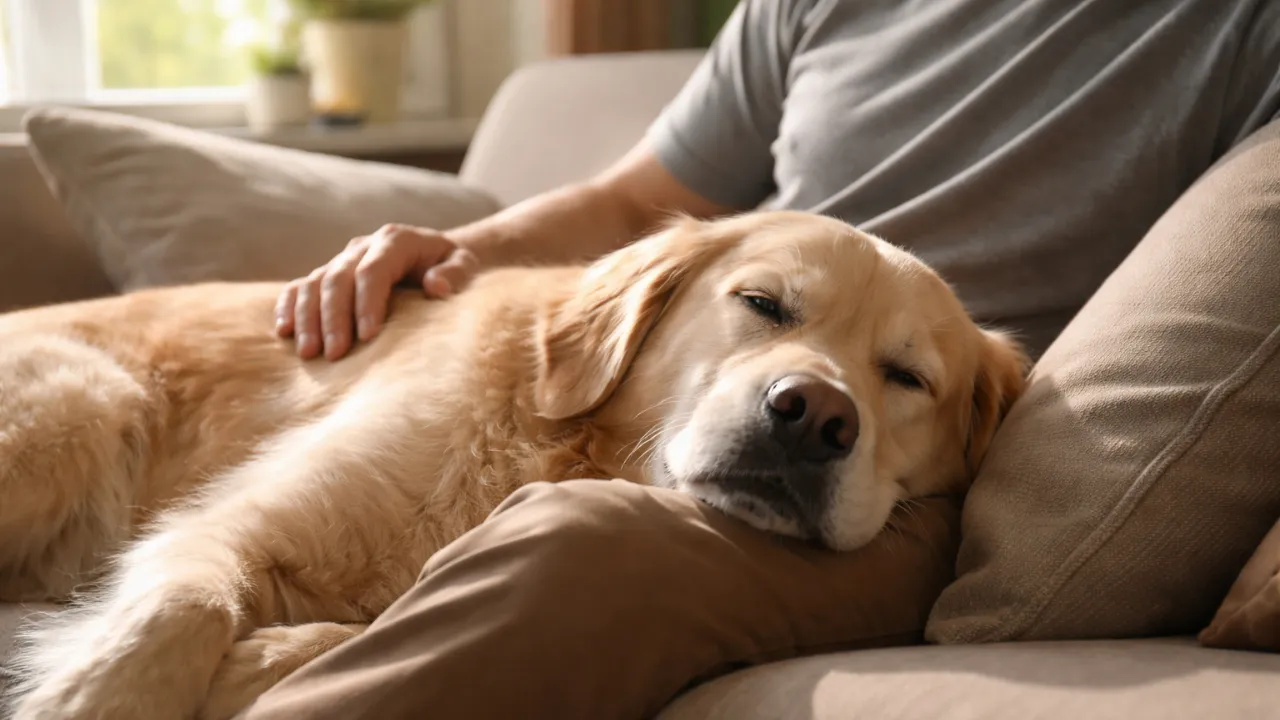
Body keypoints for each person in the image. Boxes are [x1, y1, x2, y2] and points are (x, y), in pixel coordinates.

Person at [251, 0, 1280, 717]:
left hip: (926, 477)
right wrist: (457, 250)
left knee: (580, 542)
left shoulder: (1240, 31)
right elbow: (629, 200)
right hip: (743, 367)